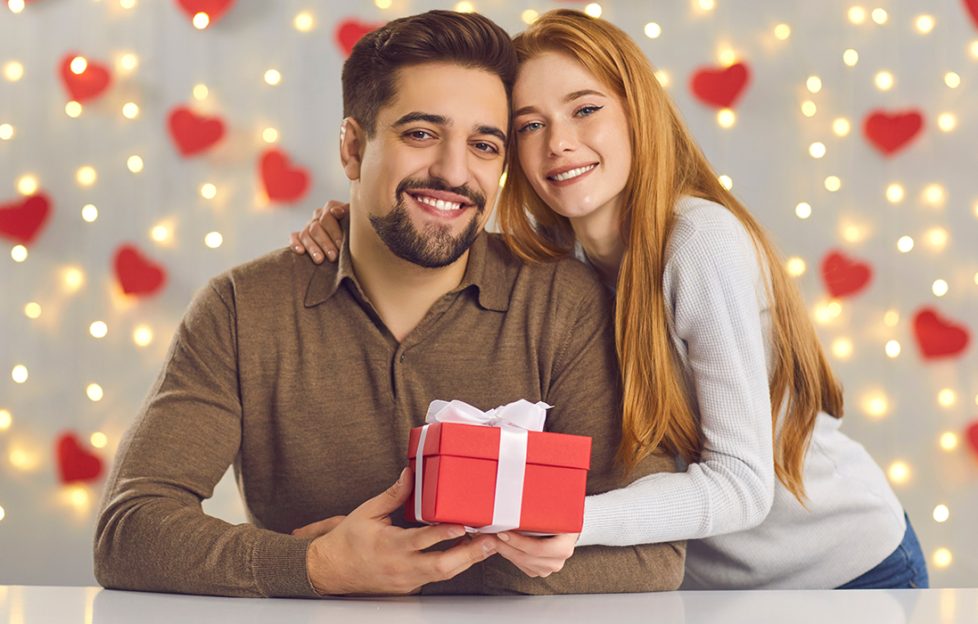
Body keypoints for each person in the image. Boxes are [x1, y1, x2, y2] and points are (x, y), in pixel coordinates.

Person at [291, 9, 927, 590]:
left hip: (848, 572)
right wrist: (363, 225)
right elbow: (440, 233)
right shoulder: (555, 259)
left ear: (634, 113)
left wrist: (563, 520)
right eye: (529, 125)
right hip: (709, 589)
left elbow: (743, 488)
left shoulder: (697, 244)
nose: (558, 142)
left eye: (584, 110)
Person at [93, 10, 685, 598]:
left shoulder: (564, 304)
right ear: (352, 148)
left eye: (484, 145)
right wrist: (316, 566)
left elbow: (654, 557)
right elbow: (129, 532)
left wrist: (396, 565)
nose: (454, 172)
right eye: (421, 134)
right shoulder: (242, 310)